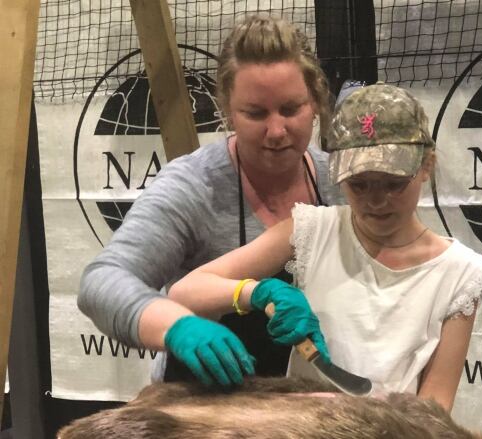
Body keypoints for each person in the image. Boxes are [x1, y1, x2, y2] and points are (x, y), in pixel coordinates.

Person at [168, 83, 482, 411]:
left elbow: (434, 408)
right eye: (358, 185)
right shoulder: (312, 231)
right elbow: (185, 292)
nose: (376, 201)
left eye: (393, 184)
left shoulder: (458, 275)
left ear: (426, 167)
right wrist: (256, 293)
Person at [78, 14, 341, 388]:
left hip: (312, 404)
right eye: (255, 113)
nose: (277, 131)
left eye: (290, 109)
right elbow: (101, 283)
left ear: (314, 101)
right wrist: (178, 327)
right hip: (203, 406)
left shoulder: (341, 184)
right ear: (228, 110)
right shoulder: (193, 186)